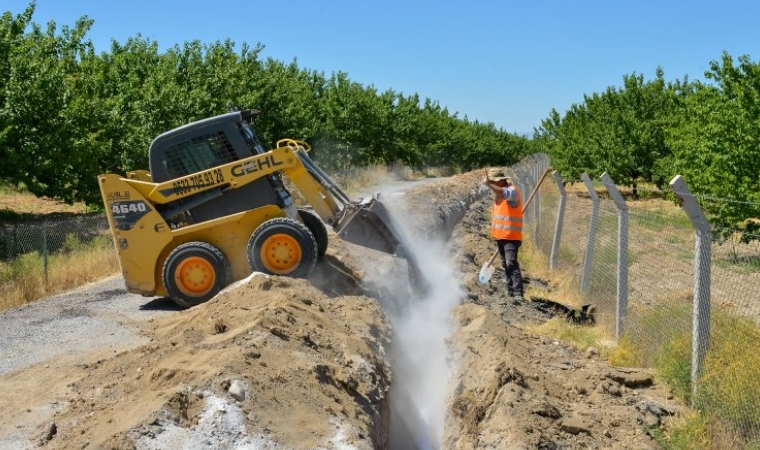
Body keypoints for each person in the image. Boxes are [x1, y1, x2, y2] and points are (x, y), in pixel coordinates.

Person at [482, 167, 524, 302]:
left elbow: (504, 192)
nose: (492, 185)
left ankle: (518, 293)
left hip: (511, 236)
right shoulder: (498, 196)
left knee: (511, 263)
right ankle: (510, 290)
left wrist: (489, 183)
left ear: (501, 181)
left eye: (494, 182)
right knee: (505, 264)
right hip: (500, 236)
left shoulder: (512, 191)